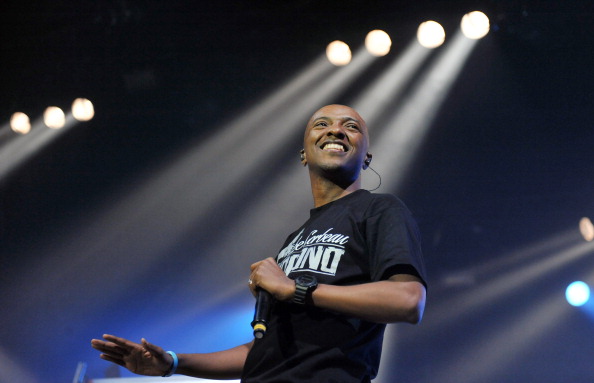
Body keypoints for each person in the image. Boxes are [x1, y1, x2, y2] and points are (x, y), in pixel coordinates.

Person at [91, 104, 427, 382]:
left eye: (350, 126)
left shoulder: (379, 209)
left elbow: (408, 300)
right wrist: (173, 364)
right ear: (303, 155)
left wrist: (295, 289)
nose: (335, 130)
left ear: (367, 157)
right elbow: (261, 351)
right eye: (321, 124)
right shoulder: (293, 241)